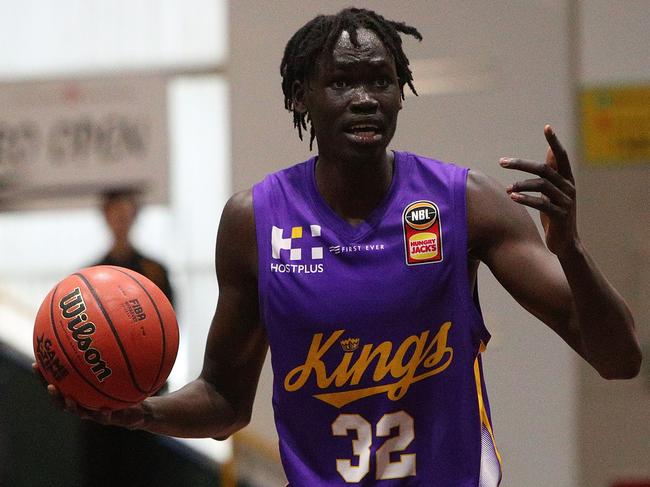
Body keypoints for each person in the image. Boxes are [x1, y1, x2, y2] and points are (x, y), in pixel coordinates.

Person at [35, 8, 641, 486]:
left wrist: (573, 251)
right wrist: (143, 413)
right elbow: (224, 398)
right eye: (341, 81)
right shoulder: (256, 222)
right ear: (302, 96)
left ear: (401, 91)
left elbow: (619, 359)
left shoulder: (466, 203)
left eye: (380, 79)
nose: (363, 97)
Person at [81, 188, 175, 487]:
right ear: (105, 217)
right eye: (115, 213)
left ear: (135, 217)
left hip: (144, 393)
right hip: (101, 395)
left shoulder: (155, 272)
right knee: (103, 471)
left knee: (144, 471)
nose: (121, 219)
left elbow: (169, 329)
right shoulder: (88, 275)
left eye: (126, 213)